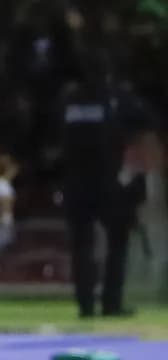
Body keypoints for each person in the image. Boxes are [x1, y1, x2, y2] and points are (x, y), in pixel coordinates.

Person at [58, 49, 152, 317]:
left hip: (76, 183)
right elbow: (140, 137)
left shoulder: (68, 100)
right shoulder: (119, 99)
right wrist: (134, 182)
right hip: (110, 183)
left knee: (81, 245)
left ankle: (85, 305)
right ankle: (112, 303)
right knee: (117, 244)